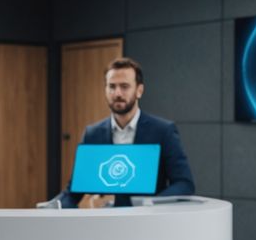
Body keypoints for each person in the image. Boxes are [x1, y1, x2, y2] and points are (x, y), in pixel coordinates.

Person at [53, 57, 195, 208]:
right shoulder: (93, 134)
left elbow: (184, 184)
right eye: (112, 86)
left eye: (124, 86)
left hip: (147, 218)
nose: (117, 93)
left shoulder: (163, 131)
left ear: (139, 91)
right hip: (104, 220)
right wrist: (52, 207)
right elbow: (74, 190)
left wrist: (150, 204)